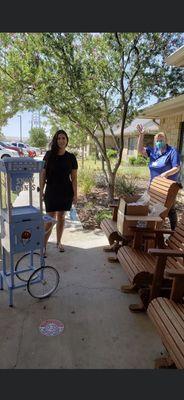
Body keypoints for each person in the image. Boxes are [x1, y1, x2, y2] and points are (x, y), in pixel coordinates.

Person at [137, 123, 181, 230]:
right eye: (157, 140)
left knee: (167, 209)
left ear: (166, 140)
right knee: (145, 205)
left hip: (167, 188)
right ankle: (143, 229)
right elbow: (140, 150)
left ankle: (169, 232)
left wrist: (166, 174)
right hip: (153, 186)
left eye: (161, 140)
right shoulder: (153, 152)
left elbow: (177, 168)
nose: (159, 142)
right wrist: (141, 135)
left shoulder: (172, 151)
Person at [40, 129, 78, 254]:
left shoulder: (71, 157)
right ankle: (43, 245)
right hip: (51, 190)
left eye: (64, 138)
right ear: (55, 140)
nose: (61, 140)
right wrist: (41, 191)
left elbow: (74, 178)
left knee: (61, 217)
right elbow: (43, 174)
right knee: (49, 218)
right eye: (59, 138)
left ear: (67, 140)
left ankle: (58, 242)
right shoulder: (49, 155)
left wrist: (75, 194)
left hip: (65, 192)